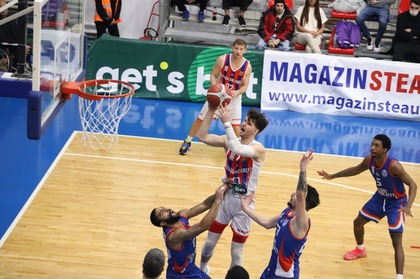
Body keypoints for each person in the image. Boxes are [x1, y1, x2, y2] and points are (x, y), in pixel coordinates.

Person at [317, 134, 417, 279]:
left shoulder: (394, 166)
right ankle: (360, 250)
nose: (372, 148)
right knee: (358, 222)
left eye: (377, 145)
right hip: (379, 198)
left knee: (396, 241)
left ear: (385, 150)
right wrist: (333, 176)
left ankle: (399, 277)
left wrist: (408, 206)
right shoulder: (369, 160)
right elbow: (356, 170)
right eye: (372, 144)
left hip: (396, 203)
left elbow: (413, 184)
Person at [197, 105, 269, 274]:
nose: (244, 124)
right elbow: (201, 136)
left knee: (237, 253)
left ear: (256, 131)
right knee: (209, 243)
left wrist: (227, 122)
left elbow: (238, 149)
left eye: (249, 123)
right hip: (226, 198)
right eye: (244, 120)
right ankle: (201, 271)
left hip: (244, 205)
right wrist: (211, 109)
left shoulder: (259, 149)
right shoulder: (227, 140)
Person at [241, 148, 320, 279]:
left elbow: (300, 196)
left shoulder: (302, 222)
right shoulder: (288, 211)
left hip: (284, 275)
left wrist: (303, 168)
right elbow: (267, 223)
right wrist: (246, 209)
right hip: (271, 269)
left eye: (295, 194)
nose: (293, 194)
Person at [178, 38, 252, 155]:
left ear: (245, 50)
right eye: (236, 48)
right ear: (232, 48)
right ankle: (187, 141)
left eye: (241, 49)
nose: (238, 51)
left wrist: (237, 92)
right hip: (218, 97)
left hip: (233, 99)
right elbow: (213, 74)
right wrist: (215, 88)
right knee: (200, 119)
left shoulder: (247, 66)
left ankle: (238, 151)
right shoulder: (222, 59)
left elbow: (245, 86)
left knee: (236, 128)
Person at [150, 184, 227, 279]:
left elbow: (205, 204)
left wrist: (224, 189)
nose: (167, 209)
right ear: (162, 223)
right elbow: (203, 226)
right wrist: (218, 201)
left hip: (190, 268)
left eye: (164, 208)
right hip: (180, 275)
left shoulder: (182, 215)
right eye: (163, 212)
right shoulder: (174, 236)